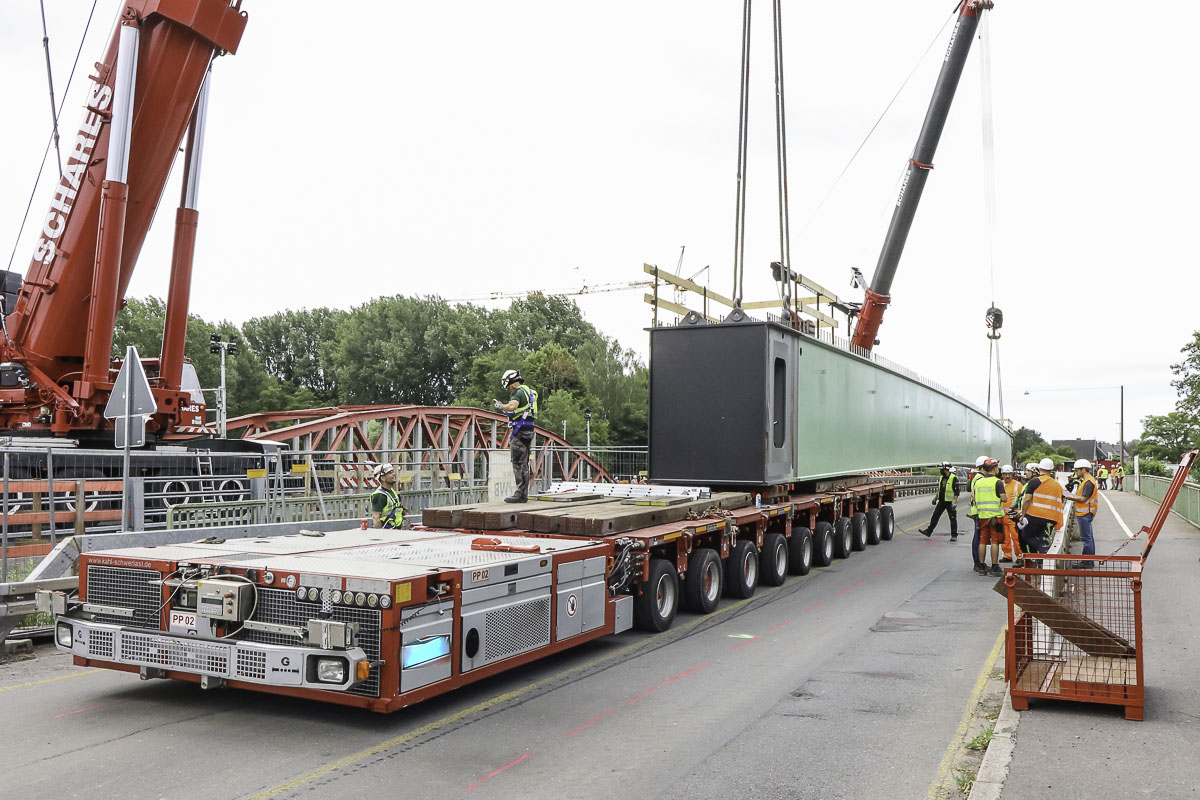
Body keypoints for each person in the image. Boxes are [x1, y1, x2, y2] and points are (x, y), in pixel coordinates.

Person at [494, 369, 539, 503]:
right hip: (529, 430)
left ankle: (519, 494)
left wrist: (501, 406)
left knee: (518, 463)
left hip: (520, 432)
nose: (509, 389)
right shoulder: (529, 392)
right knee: (524, 463)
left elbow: (513, 406)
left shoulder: (518, 392)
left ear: (512, 382)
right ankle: (523, 494)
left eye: (508, 386)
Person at [1016, 457, 1065, 558]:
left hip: (1035, 516)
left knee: (1026, 535)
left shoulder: (1035, 482)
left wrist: (1022, 514)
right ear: (1051, 470)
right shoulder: (1057, 485)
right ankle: (1043, 560)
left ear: (1039, 469)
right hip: (1052, 518)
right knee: (1043, 540)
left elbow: (1027, 500)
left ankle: (1040, 559)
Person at [972, 459, 1007, 576]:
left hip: (982, 516)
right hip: (995, 517)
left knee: (982, 540)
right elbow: (1004, 498)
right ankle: (994, 567)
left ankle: (981, 566)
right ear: (994, 468)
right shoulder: (997, 482)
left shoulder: (978, 482)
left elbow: (974, 497)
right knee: (995, 541)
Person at [1064, 458, 1099, 568]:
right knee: (1089, 538)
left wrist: (1069, 497)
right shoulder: (1087, 481)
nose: (1076, 472)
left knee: (1086, 538)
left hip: (1085, 513)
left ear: (1084, 470)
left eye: (1077, 470)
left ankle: (1087, 561)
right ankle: (1089, 560)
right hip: (1086, 512)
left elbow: (1083, 499)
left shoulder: (1088, 483)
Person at [920, 461, 960, 539]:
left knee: (952, 518)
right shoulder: (941, 477)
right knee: (935, 516)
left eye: (941, 469)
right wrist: (935, 498)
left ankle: (954, 535)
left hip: (950, 502)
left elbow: (956, 492)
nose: (940, 471)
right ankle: (929, 531)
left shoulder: (954, 478)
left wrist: (954, 502)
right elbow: (940, 489)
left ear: (946, 469)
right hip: (941, 501)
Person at [369, 463, 405, 529]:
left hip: (396, 531)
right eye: (390, 473)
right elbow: (376, 518)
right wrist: (381, 536)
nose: (394, 474)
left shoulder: (393, 492)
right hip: (387, 532)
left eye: (392, 472)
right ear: (383, 478)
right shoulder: (379, 495)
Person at [967, 455, 987, 567]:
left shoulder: (977, 477)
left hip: (977, 511)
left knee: (978, 536)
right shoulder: (980, 478)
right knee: (978, 537)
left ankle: (978, 562)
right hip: (979, 512)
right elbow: (975, 495)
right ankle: (978, 563)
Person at [999, 465, 1021, 562]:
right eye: (1005, 474)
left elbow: (1022, 499)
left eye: (1009, 474)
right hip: (1002, 515)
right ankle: (1007, 555)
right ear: (1002, 475)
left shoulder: (1018, 485)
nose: (1007, 476)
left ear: (1013, 475)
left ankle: (1020, 556)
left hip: (1013, 516)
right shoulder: (999, 484)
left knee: (1016, 537)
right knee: (1004, 537)